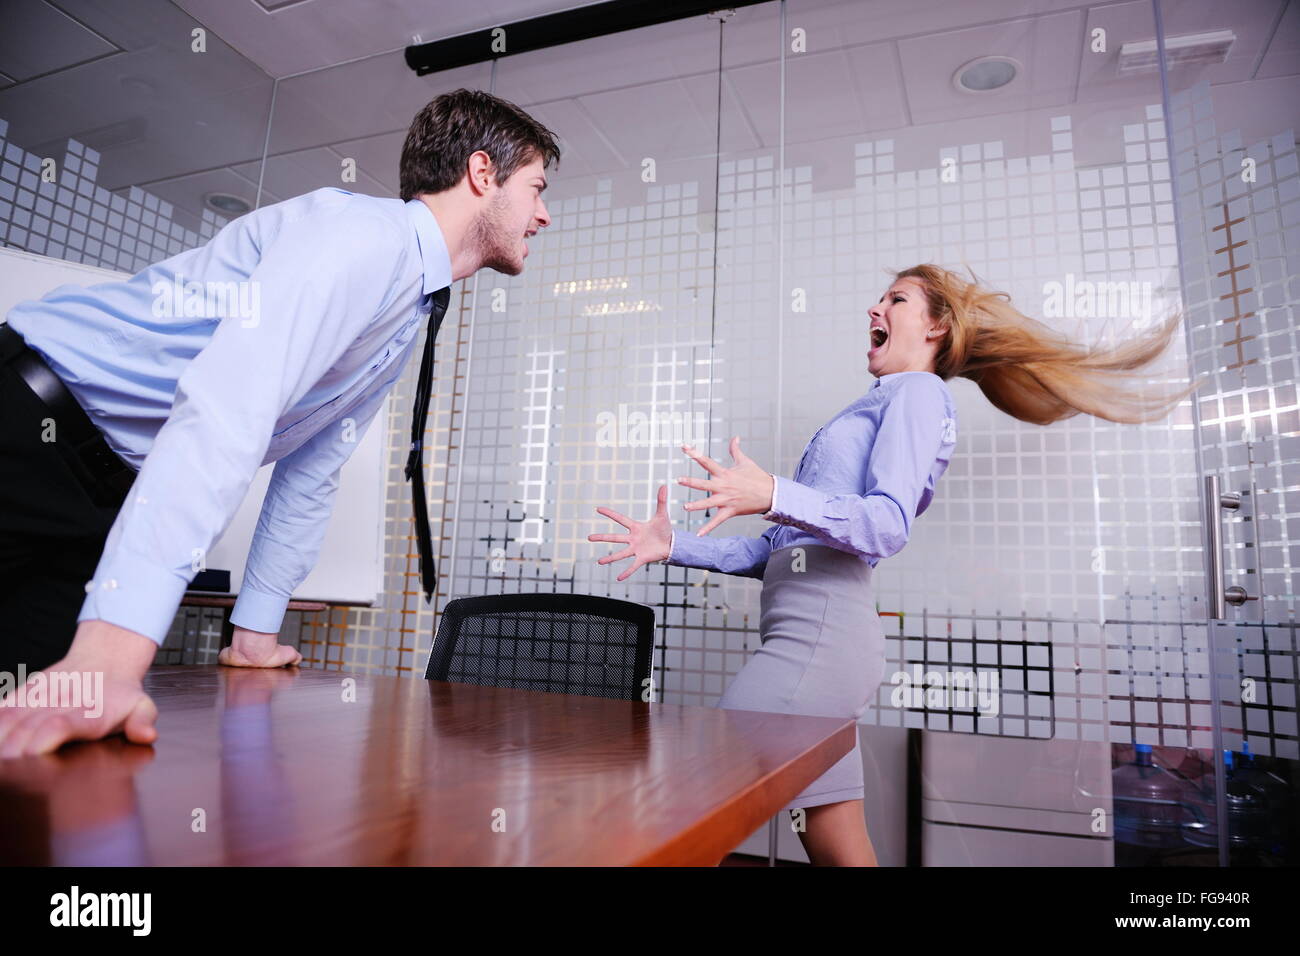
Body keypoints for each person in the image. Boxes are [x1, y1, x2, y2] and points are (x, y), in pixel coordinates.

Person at [0, 89, 558, 757]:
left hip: (103, 499)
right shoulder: (361, 240)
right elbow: (227, 407)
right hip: (23, 418)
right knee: (81, 691)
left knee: (35, 737)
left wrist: (255, 634)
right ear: (481, 173)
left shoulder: (406, 311)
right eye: (536, 188)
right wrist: (115, 649)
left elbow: (312, 470)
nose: (543, 214)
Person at [589, 263, 1205, 865]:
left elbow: (886, 525)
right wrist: (674, 546)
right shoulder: (883, 400)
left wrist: (774, 493)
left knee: (692, 803)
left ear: (936, 327)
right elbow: (780, 552)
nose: (874, 309)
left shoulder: (920, 394)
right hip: (821, 648)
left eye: (898, 299)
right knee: (838, 843)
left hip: (817, 651)